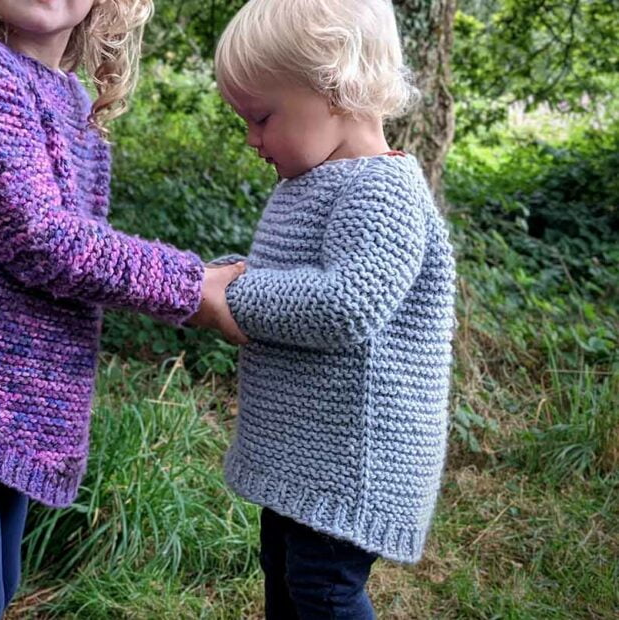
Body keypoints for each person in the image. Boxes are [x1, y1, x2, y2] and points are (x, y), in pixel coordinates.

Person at [0, 1, 245, 617]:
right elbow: (40, 239)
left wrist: (208, 279)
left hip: (10, 400)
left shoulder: (75, 102)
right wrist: (196, 288)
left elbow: (76, 258)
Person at [210, 0, 457, 617]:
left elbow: (347, 304)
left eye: (261, 117)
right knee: (287, 575)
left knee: (323, 590)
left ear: (337, 87)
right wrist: (220, 275)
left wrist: (232, 293)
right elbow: (287, 282)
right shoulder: (310, 182)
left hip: (351, 457)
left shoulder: (384, 187)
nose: (252, 139)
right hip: (301, 449)